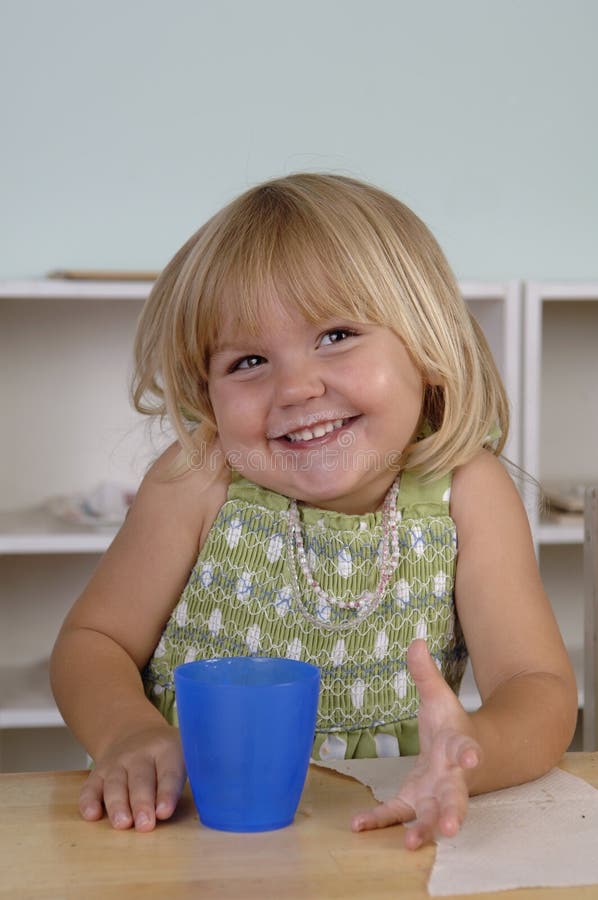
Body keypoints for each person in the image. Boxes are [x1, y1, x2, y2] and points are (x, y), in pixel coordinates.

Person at [50, 173, 577, 850]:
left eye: (336, 335)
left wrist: (474, 752)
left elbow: (538, 689)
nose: (296, 386)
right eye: (247, 360)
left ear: (427, 346)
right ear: (205, 393)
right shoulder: (198, 480)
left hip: (379, 831)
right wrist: (129, 732)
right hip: (184, 828)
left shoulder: (468, 492)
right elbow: (94, 642)